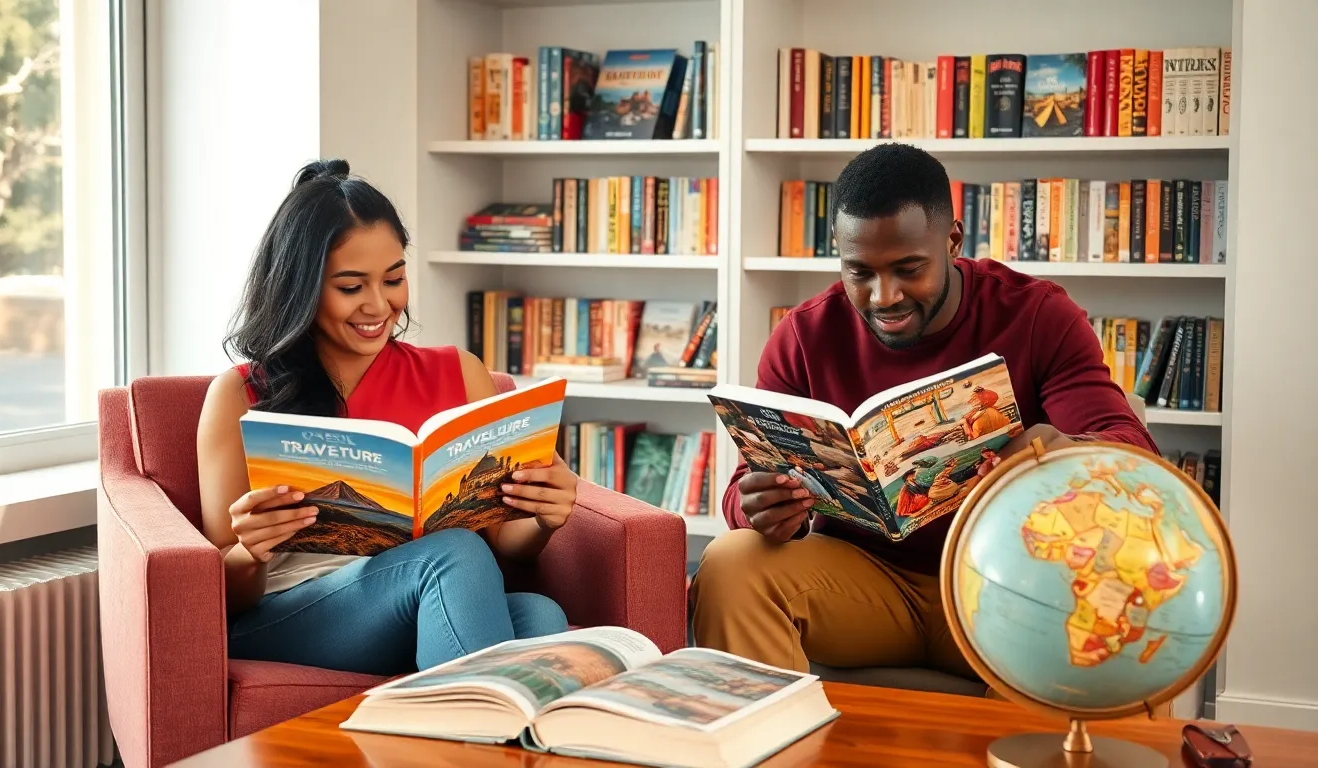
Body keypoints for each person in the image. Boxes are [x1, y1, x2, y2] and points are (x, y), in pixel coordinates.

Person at [689, 144, 1156, 678]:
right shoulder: (802, 336)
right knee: (731, 562)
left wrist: (1068, 453)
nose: (882, 296)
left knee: (1113, 591)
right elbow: (746, 484)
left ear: (953, 241)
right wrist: (757, 507)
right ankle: (768, 750)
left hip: (1007, 585)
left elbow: (1133, 450)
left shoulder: (1039, 317)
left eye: (908, 269)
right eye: (858, 272)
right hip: (863, 586)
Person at [196, 159, 575, 677]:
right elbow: (221, 588)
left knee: (540, 615)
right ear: (299, 286)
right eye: (351, 287)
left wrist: (544, 515)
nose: (379, 305)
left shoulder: (459, 373)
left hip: (420, 597)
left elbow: (507, 540)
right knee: (453, 555)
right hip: (289, 615)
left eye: (394, 279)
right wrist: (250, 551)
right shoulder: (239, 394)